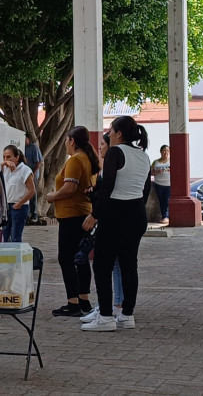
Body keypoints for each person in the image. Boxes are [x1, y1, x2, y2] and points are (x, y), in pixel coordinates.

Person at [81, 116, 151, 331]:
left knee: (102, 265)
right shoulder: (143, 156)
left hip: (115, 214)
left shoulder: (115, 152)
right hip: (137, 213)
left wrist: (95, 214)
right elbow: (146, 189)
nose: (108, 133)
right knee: (129, 265)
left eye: (110, 130)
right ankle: (127, 315)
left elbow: (108, 186)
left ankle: (105, 316)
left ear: (119, 133)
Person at [45, 126, 99, 317]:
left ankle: (73, 302)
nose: (66, 145)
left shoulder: (76, 160)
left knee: (66, 258)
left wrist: (52, 196)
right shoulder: (89, 158)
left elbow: (69, 189)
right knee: (80, 258)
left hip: (72, 215)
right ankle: (83, 299)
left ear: (72, 141)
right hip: (83, 213)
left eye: (67, 141)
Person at [80, 132, 125, 323]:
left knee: (113, 265)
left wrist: (95, 214)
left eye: (102, 144)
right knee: (117, 265)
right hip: (113, 218)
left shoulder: (113, 164)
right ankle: (113, 304)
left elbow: (108, 191)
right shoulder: (107, 166)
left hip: (111, 219)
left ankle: (115, 306)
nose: (100, 147)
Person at [0, 145, 35, 242]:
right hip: (7, 206)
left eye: (8, 157)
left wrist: (19, 204)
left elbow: (31, 190)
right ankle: (6, 255)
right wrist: (3, 164)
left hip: (19, 207)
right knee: (5, 235)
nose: (6, 159)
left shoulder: (25, 170)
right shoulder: (5, 169)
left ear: (16, 157)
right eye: (4, 157)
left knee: (16, 236)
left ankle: (16, 256)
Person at [24, 133, 43, 222]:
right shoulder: (22, 148)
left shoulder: (33, 147)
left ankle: (34, 214)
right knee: (26, 192)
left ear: (28, 139)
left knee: (33, 192)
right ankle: (27, 214)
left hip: (33, 173)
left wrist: (33, 173)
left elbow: (38, 162)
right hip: (24, 173)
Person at [151, 145, 171, 224]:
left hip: (168, 184)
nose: (165, 152)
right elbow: (151, 172)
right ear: (160, 152)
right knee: (161, 200)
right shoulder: (156, 162)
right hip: (158, 184)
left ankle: (166, 217)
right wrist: (157, 172)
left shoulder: (171, 161)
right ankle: (164, 216)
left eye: (167, 150)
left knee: (166, 200)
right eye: (163, 150)